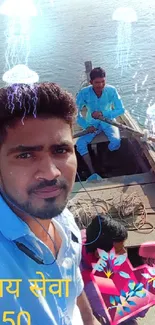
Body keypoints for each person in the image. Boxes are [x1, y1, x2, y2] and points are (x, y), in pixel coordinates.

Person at [0, 83, 100, 325]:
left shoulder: (65, 220)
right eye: (25, 155)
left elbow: (73, 287)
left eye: (60, 150)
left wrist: (91, 321)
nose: (51, 173)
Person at [76, 67, 125, 181]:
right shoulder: (84, 93)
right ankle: (92, 171)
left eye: (103, 81)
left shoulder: (112, 90)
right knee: (80, 144)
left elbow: (121, 110)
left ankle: (104, 158)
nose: (100, 85)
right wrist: (86, 126)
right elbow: (75, 113)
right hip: (91, 124)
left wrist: (103, 113)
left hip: (108, 121)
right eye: (97, 82)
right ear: (91, 82)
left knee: (116, 141)